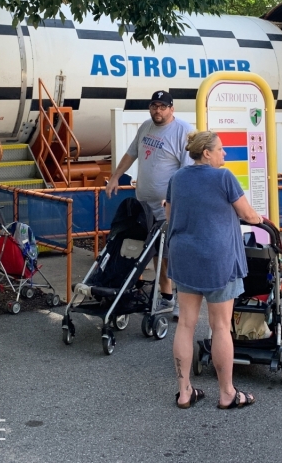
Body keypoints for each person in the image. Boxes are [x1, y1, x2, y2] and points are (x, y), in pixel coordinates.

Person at [166, 130, 265, 410]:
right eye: (221, 149)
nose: (225, 154)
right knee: (220, 326)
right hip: (217, 258)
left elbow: (170, 214)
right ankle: (226, 393)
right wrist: (258, 218)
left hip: (184, 256)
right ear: (206, 153)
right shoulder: (224, 178)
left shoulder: (177, 179)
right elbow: (247, 214)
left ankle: (184, 392)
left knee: (185, 323)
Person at [105, 90, 192, 317]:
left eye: (163, 106)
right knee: (152, 252)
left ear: (172, 109)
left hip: (169, 208)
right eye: (154, 105)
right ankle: (163, 297)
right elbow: (131, 153)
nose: (158, 110)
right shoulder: (146, 127)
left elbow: (187, 171)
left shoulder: (183, 131)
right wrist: (115, 176)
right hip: (145, 206)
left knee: (172, 255)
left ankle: (180, 300)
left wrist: (173, 198)